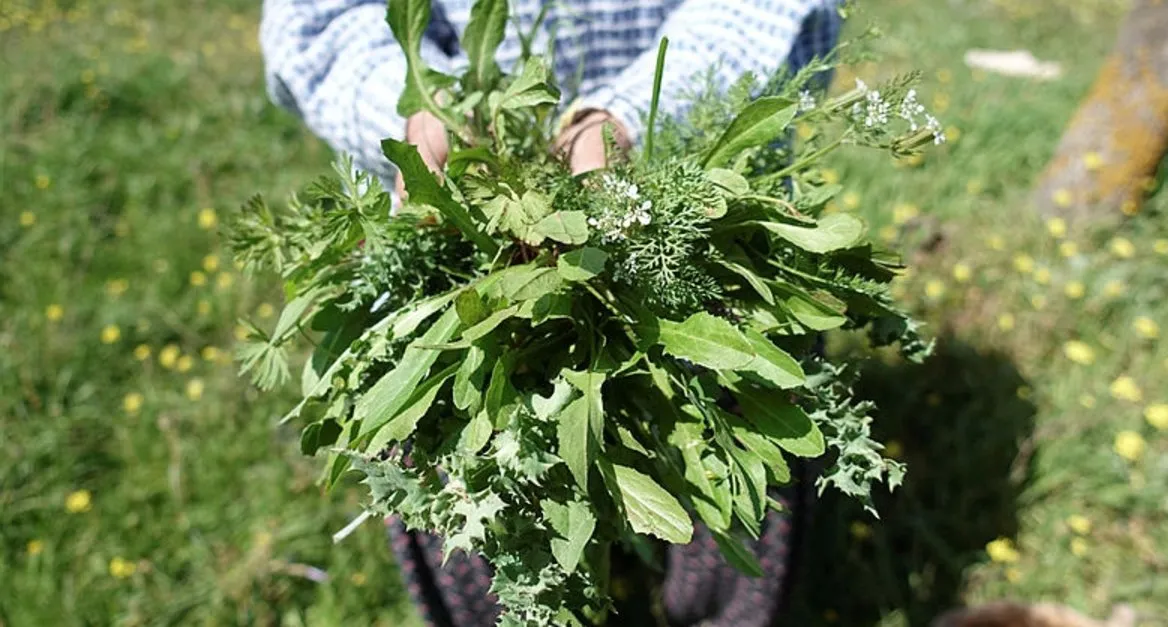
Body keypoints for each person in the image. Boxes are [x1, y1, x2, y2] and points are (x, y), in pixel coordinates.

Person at [259, 1, 842, 625]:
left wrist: (627, 120)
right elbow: (316, 22)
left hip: (697, 226)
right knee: (484, 534)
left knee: (733, 495)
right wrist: (419, 110)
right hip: (451, 254)